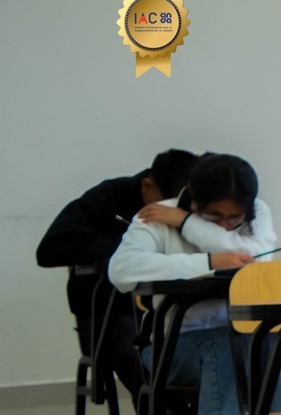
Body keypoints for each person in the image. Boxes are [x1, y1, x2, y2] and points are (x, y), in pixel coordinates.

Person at [106, 153, 281, 415]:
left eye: (234, 219)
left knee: (277, 340)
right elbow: (121, 271)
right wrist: (208, 262)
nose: (225, 225)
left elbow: (254, 259)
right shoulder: (156, 216)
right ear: (193, 196)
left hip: (239, 344)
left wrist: (189, 224)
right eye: (213, 216)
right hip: (171, 350)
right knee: (226, 342)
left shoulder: (256, 212)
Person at [38, 149, 198, 395]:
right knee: (142, 357)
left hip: (173, 310)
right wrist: (131, 248)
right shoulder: (109, 197)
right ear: (146, 185)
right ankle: (161, 413)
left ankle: (199, 414)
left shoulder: (199, 205)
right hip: (112, 313)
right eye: (164, 206)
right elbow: (50, 250)